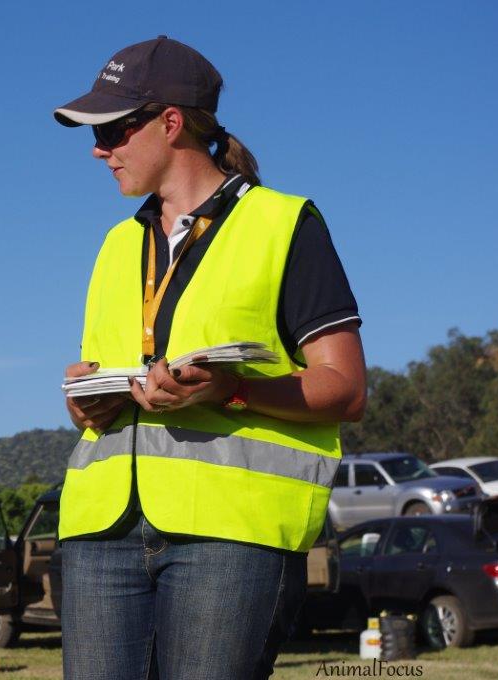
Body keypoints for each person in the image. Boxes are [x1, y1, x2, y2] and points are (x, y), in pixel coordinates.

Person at [53, 36, 367, 680]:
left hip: (231, 539)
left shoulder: (284, 224)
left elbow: (346, 387)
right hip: (100, 535)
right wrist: (87, 403)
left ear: (170, 123)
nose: (98, 149)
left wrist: (231, 391)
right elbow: (103, 388)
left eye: (111, 131)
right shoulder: (115, 246)